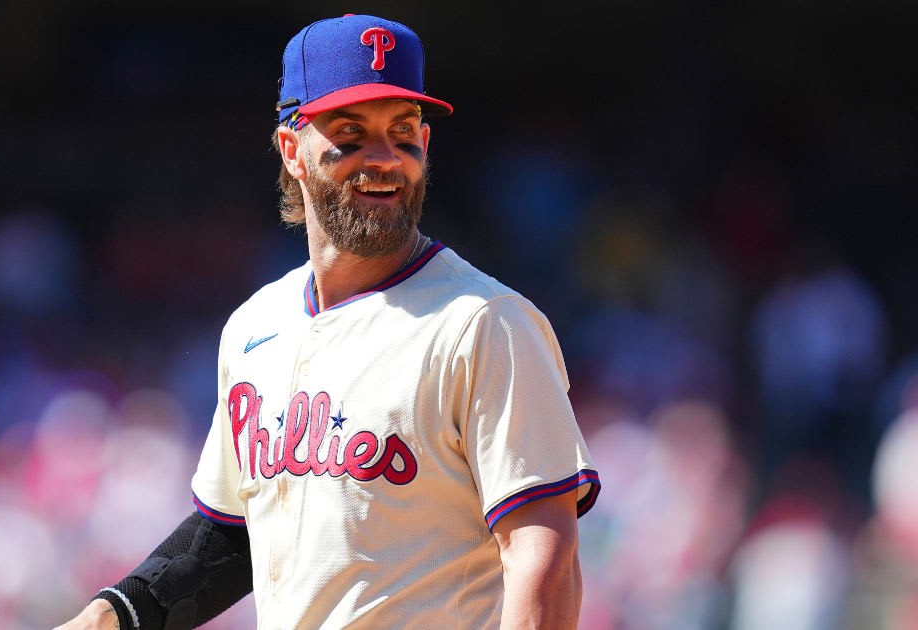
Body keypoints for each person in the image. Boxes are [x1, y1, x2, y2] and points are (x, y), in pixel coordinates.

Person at [56, 14, 600, 630]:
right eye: (351, 132)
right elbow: (233, 536)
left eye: (403, 131)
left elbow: (544, 557)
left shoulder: (483, 325)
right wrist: (112, 614)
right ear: (292, 149)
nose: (385, 158)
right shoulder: (255, 326)